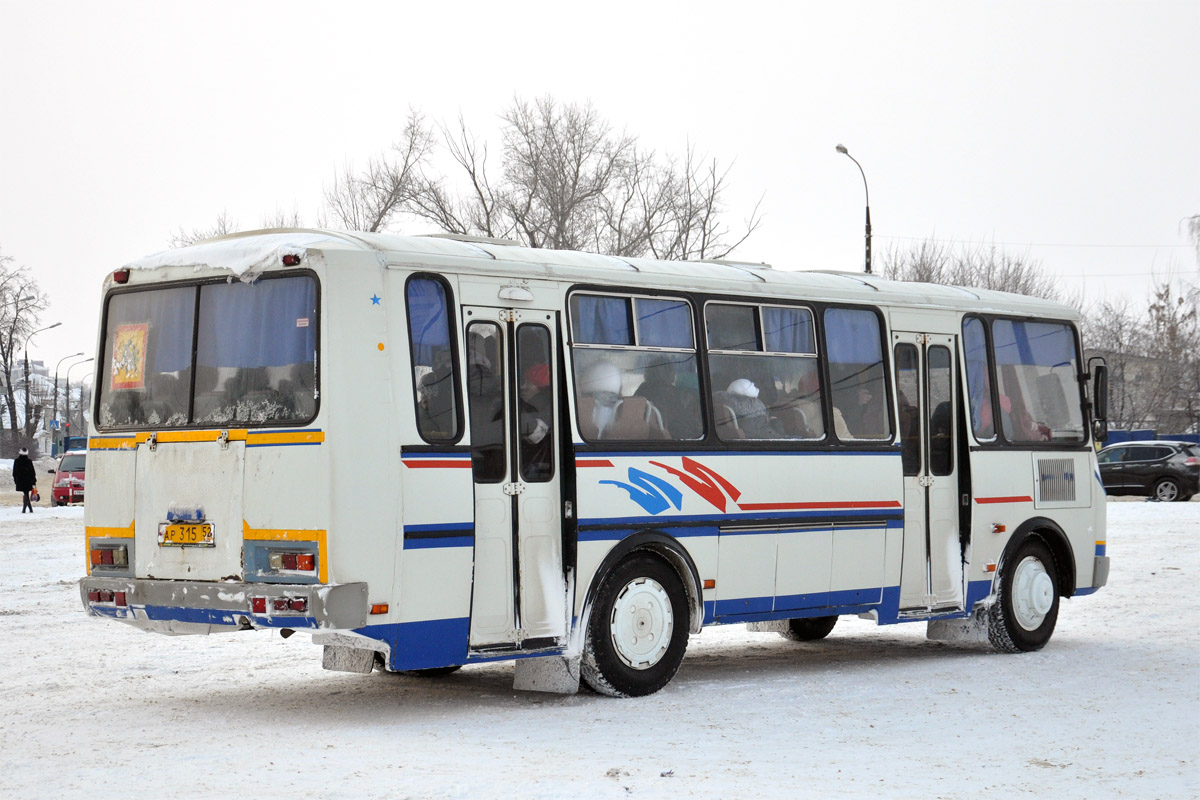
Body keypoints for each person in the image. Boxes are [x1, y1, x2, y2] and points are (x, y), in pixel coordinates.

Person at [714, 378, 782, 439]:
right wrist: (776, 422)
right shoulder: (755, 424)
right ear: (754, 402)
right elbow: (780, 441)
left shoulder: (723, 407)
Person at [13, 447, 37, 513]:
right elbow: (33, 472)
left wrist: (16, 480)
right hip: (29, 480)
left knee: (26, 493)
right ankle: (29, 509)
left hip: (20, 480)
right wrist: (34, 481)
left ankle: (25, 509)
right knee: (26, 493)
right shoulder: (29, 461)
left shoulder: (17, 461)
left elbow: (14, 472)